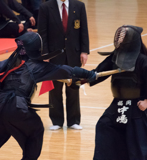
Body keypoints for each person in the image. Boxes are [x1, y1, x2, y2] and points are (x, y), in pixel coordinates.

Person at [0, 32, 96, 160]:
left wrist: (1, 87)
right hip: (16, 106)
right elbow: (67, 70)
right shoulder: (39, 66)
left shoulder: (11, 62)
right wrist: (89, 74)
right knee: (36, 129)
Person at [86, 25, 147, 160]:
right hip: (118, 104)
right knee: (104, 125)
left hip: (138, 105)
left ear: (132, 40)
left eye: (123, 37)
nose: (119, 40)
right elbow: (99, 72)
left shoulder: (142, 60)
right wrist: (83, 79)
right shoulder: (115, 56)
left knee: (140, 140)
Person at [38, 0, 89, 130]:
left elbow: (84, 30)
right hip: (54, 55)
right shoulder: (46, 7)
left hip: (74, 54)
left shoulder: (79, 6)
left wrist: (84, 51)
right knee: (55, 89)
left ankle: (74, 121)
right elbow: (42, 33)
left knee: (73, 88)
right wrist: (45, 54)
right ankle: (56, 121)